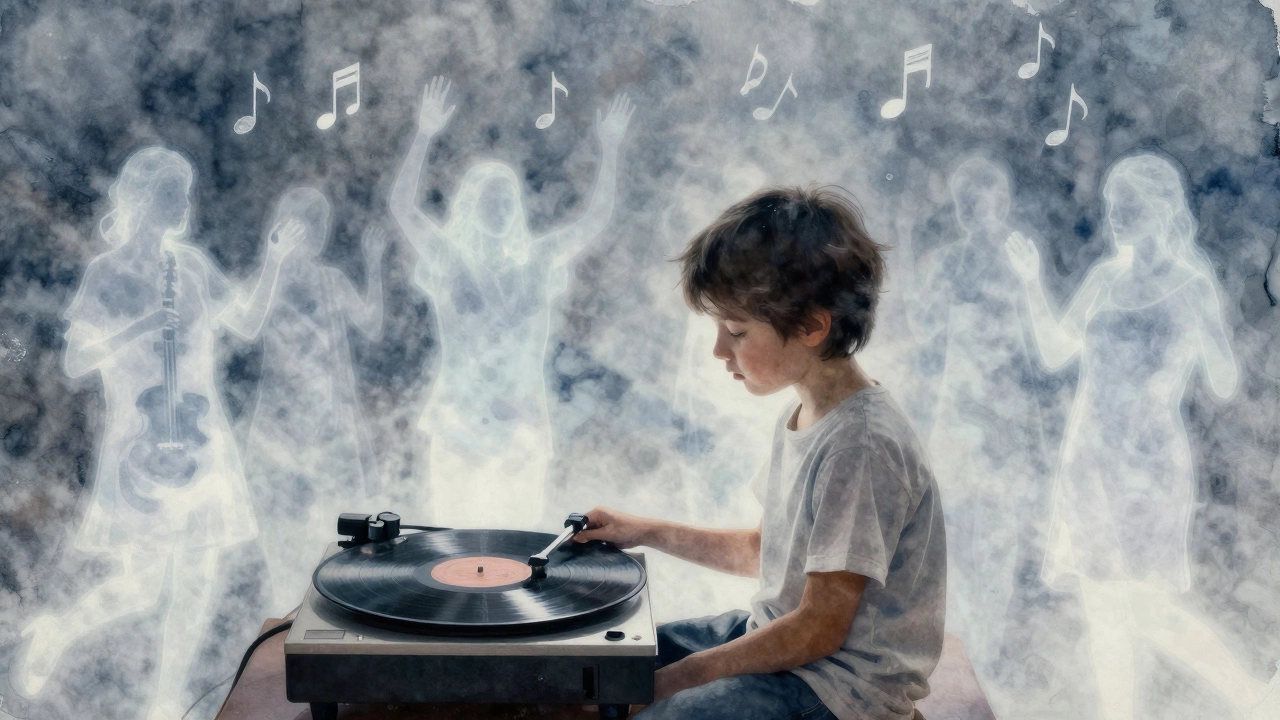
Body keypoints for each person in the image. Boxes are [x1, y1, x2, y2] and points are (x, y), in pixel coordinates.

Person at [576, 186, 946, 720]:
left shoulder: (862, 446)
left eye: (736, 330)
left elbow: (818, 628)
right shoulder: (804, 413)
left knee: (656, 705)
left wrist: (674, 683)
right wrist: (645, 532)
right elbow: (765, 552)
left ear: (812, 327)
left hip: (839, 689)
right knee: (609, 666)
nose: (718, 349)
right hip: (784, 646)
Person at [8, 146, 302, 720]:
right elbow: (74, 361)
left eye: (186, 193)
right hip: (138, 444)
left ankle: (166, 702)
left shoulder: (189, 265)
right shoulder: (107, 272)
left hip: (200, 435)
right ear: (145, 199)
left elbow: (243, 322)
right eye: (174, 193)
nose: (184, 204)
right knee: (142, 586)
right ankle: (56, 632)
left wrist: (272, 264)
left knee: (198, 577)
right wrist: (141, 324)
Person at [1005, 151, 1280, 719]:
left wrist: (1209, 333)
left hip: (1150, 464)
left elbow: (1225, 383)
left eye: (1129, 204)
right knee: (1101, 608)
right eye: (1112, 204)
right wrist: (1032, 283)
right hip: (1089, 458)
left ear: (1161, 208)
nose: (1117, 214)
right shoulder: (1106, 278)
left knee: (1145, 605)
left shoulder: (1192, 283)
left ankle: (1253, 695)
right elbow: (1057, 350)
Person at [390, 76, 634, 530]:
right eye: (488, 199)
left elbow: (593, 221)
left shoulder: (538, 261)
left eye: (506, 199)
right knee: (450, 543)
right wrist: (423, 134)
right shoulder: (449, 259)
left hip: (521, 427)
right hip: (456, 420)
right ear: (470, 207)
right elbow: (403, 206)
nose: (499, 208)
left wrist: (611, 149)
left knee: (519, 546)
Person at [242, 186, 388, 615]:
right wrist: (273, 262)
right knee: (282, 559)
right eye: (303, 224)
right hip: (277, 434)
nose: (313, 235)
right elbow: (248, 325)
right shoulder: (266, 281)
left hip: (329, 432)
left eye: (318, 225)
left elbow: (371, 325)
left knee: (333, 551)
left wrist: (373, 266)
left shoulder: (330, 279)